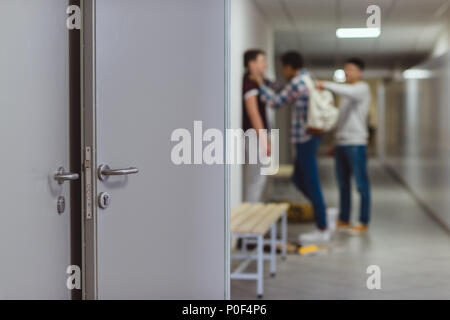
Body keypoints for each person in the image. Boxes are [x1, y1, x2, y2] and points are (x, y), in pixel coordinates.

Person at [251, 51, 333, 243]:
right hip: (310, 137)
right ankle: (322, 210)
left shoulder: (298, 82)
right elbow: (283, 88)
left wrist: (260, 84)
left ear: (289, 67)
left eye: (283, 67)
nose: (282, 71)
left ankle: (322, 225)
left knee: (311, 181)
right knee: (298, 179)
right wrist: (266, 81)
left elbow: (275, 101)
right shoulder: (306, 77)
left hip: (305, 139)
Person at [317, 58, 371, 235]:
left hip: (356, 144)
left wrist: (325, 84)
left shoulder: (361, 89)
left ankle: (363, 221)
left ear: (359, 72)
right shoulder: (346, 96)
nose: (347, 73)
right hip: (341, 144)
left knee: (361, 185)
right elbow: (342, 120)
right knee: (343, 184)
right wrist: (335, 142)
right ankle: (344, 218)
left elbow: (348, 91)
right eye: (345, 70)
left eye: (350, 70)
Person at [242, 49, 271, 202]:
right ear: (251, 64)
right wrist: (263, 139)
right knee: (256, 179)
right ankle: (251, 217)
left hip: (257, 135)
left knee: (259, 178)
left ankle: (253, 211)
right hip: (254, 135)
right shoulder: (249, 83)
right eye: (262, 61)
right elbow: (253, 113)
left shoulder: (258, 81)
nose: (265, 64)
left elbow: (276, 87)